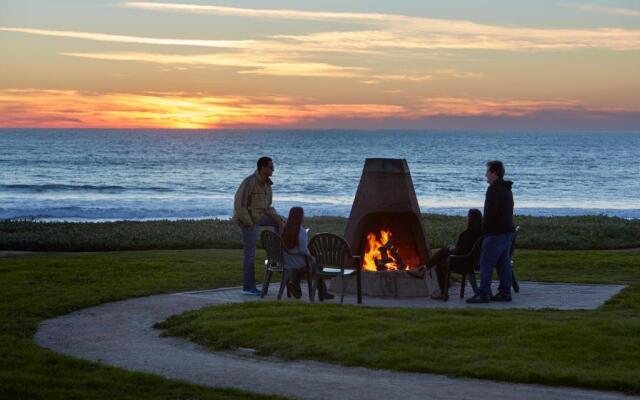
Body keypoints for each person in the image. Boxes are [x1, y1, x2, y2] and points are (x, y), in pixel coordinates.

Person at [233, 156, 284, 295]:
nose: (273, 169)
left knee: (279, 222)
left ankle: (277, 255)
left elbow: (268, 207)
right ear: (262, 168)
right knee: (250, 253)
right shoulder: (250, 182)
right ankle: (248, 287)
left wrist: (279, 220)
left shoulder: (267, 185)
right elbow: (239, 204)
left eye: (273, 167)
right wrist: (249, 223)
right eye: (270, 167)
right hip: (247, 220)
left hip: (259, 217)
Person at [467, 160, 515, 304]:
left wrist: (484, 230)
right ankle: (505, 293)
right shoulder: (506, 189)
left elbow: (490, 214)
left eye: (487, 172)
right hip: (507, 232)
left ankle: (484, 294)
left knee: (486, 263)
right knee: (503, 263)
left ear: (494, 173)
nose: (486, 175)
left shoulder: (494, 190)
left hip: (495, 233)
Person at [408, 209, 483, 299]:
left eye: (468, 217)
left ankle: (428, 274)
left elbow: (458, 252)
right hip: (471, 262)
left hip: (462, 263)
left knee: (441, 258)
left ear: (471, 219)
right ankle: (425, 270)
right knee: (443, 253)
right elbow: (465, 249)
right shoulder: (480, 234)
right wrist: (452, 249)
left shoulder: (467, 234)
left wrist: (451, 250)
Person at [281, 207, 333, 300]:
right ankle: (323, 293)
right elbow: (303, 250)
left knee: (309, 265)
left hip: (285, 260)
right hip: (297, 261)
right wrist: (310, 257)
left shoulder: (284, 228)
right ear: (300, 217)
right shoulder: (301, 231)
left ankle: (295, 285)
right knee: (316, 265)